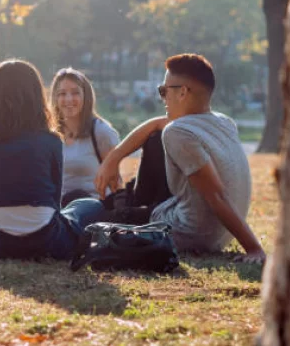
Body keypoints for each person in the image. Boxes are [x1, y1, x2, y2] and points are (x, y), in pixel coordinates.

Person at [95, 53, 266, 264]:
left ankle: (125, 207)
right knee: (155, 137)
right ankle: (127, 204)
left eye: (164, 91)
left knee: (89, 217)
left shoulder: (178, 133)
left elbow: (216, 195)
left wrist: (254, 248)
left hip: (188, 233)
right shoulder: (223, 122)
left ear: (183, 92)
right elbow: (157, 124)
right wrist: (114, 158)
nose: (163, 97)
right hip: (219, 235)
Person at [0, 59, 105, 260]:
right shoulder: (51, 139)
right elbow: (54, 204)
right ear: (36, 95)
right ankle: (62, 245)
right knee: (92, 206)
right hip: (47, 241)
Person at [49, 68, 119, 206]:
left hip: (93, 208)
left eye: (75, 93)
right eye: (62, 94)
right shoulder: (50, 135)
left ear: (85, 96)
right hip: (59, 208)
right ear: (55, 98)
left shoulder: (101, 132)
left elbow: (116, 183)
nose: (68, 99)